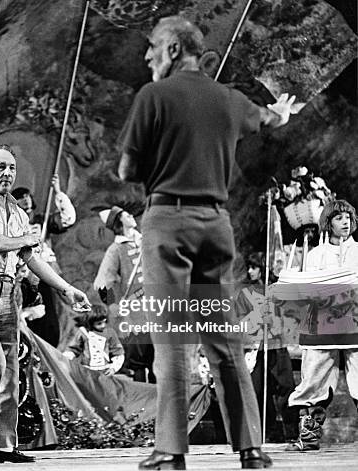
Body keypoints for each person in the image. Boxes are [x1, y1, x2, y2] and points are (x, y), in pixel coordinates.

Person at [118, 15, 296, 470]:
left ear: (174, 50)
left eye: (153, 47)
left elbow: (126, 171)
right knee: (224, 339)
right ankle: (251, 449)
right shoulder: (230, 99)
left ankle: (171, 452)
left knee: (173, 338)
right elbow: (270, 118)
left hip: (169, 223)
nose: (147, 56)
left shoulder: (153, 96)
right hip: (216, 225)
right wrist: (283, 112)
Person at [0, 144, 90, 463]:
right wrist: (27, 239)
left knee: (12, 371)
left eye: (12, 168)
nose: (7, 173)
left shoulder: (17, 212)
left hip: (8, 292)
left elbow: (30, 257)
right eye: (0, 167)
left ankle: (3, 444)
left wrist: (67, 289)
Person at [286, 199, 358, 451]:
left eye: (348, 217)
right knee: (315, 378)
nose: (345, 222)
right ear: (328, 222)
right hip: (323, 324)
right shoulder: (315, 255)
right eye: (339, 218)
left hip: (355, 322)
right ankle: (308, 437)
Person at [235, 252, 298, 442]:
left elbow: (291, 314)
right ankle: (263, 433)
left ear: (263, 267)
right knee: (256, 391)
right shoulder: (245, 292)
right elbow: (239, 320)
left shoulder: (276, 289)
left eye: (254, 267)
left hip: (277, 345)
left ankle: (292, 432)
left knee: (286, 388)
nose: (250, 271)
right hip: (257, 348)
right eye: (249, 267)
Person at [12, 175, 76, 346]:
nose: (25, 200)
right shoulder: (11, 226)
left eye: (27, 196)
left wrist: (58, 191)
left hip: (44, 274)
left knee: (48, 316)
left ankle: (51, 347)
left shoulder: (42, 221)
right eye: (20, 198)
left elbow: (67, 218)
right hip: (22, 276)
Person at [94, 205, 154, 382]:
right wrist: (114, 305)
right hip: (138, 312)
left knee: (162, 359)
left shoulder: (146, 240)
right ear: (120, 221)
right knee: (139, 362)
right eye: (127, 215)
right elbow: (103, 283)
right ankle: (144, 403)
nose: (132, 217)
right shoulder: (116, 249)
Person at [63, 304, 125, 375]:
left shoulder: (110, 333)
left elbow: (118, 353)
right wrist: (63, 359)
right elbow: (73, 349)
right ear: (91, 323)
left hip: (104, 371)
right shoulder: (83, 332)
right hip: (87, 371)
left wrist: (113, 368)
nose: (103, 325)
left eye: (105, 321)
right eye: (99, 323)